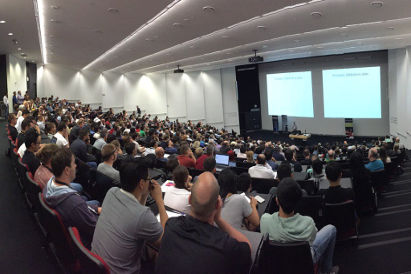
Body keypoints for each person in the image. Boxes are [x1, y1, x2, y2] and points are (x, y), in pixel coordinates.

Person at [155, 172, 252, 274]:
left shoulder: (171, 226)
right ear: (218, 205)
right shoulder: (227, 247)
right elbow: (247, 246)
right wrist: (218, 219)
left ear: (189, 200)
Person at [92, 161, 168, 273]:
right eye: (148, 179)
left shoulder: (111, 192)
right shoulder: (143, 215)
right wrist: (160, 200)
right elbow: (164, 241)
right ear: (142, 183)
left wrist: (145, 194)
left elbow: (136, 208)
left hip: (96, 265)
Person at [260, 178, 338, 274]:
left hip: (277, 263)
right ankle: (327, 271)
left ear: (277, 200)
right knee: (331, 229)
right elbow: (313, 240)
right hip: (304, 261)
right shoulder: (308, 223)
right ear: (298, 201)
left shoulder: (265, 220)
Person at [44, 147, 100, 248]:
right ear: (67, 170)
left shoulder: (49, 184)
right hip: (89, 242)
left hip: (73, 217)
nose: (75, 166)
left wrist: (96, 209)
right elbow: (97, 229)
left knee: (95, 203)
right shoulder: (75, 204)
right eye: (74, 163)